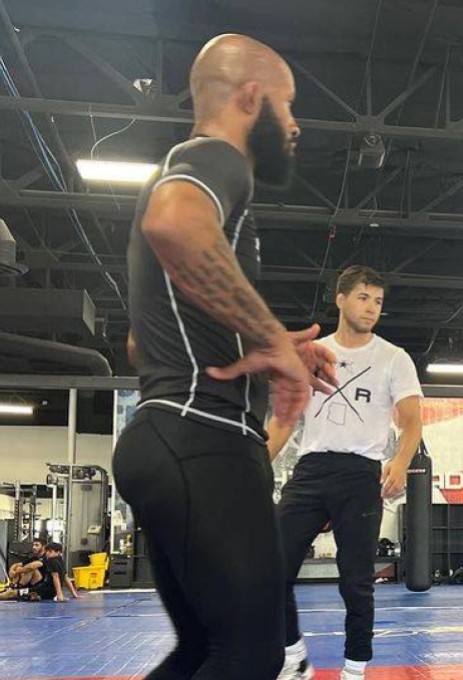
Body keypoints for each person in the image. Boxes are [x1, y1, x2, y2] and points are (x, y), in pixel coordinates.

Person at [112, 34, 337, 680]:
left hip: (166, 439)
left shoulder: (194, 172)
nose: (294, 126)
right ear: (251, 97)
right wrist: (270, 340)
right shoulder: (216, 160)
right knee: (249, 656)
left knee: (204, 653)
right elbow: (175, 224)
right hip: (201, 440)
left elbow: (140, 342)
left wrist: (263, 344)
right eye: (289, 107)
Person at [268, 265, 424, 680]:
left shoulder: (394, 358)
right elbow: (284, 421)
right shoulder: (310, 354)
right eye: (362, 297)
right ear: (340, 299)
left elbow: (412, 422)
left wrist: (401, 461)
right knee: (271, 570)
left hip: (360, 474)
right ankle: (293, 657)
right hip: (311, 469)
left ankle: (354, 669)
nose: (371, 308)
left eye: (377, 301)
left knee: (356, 582)